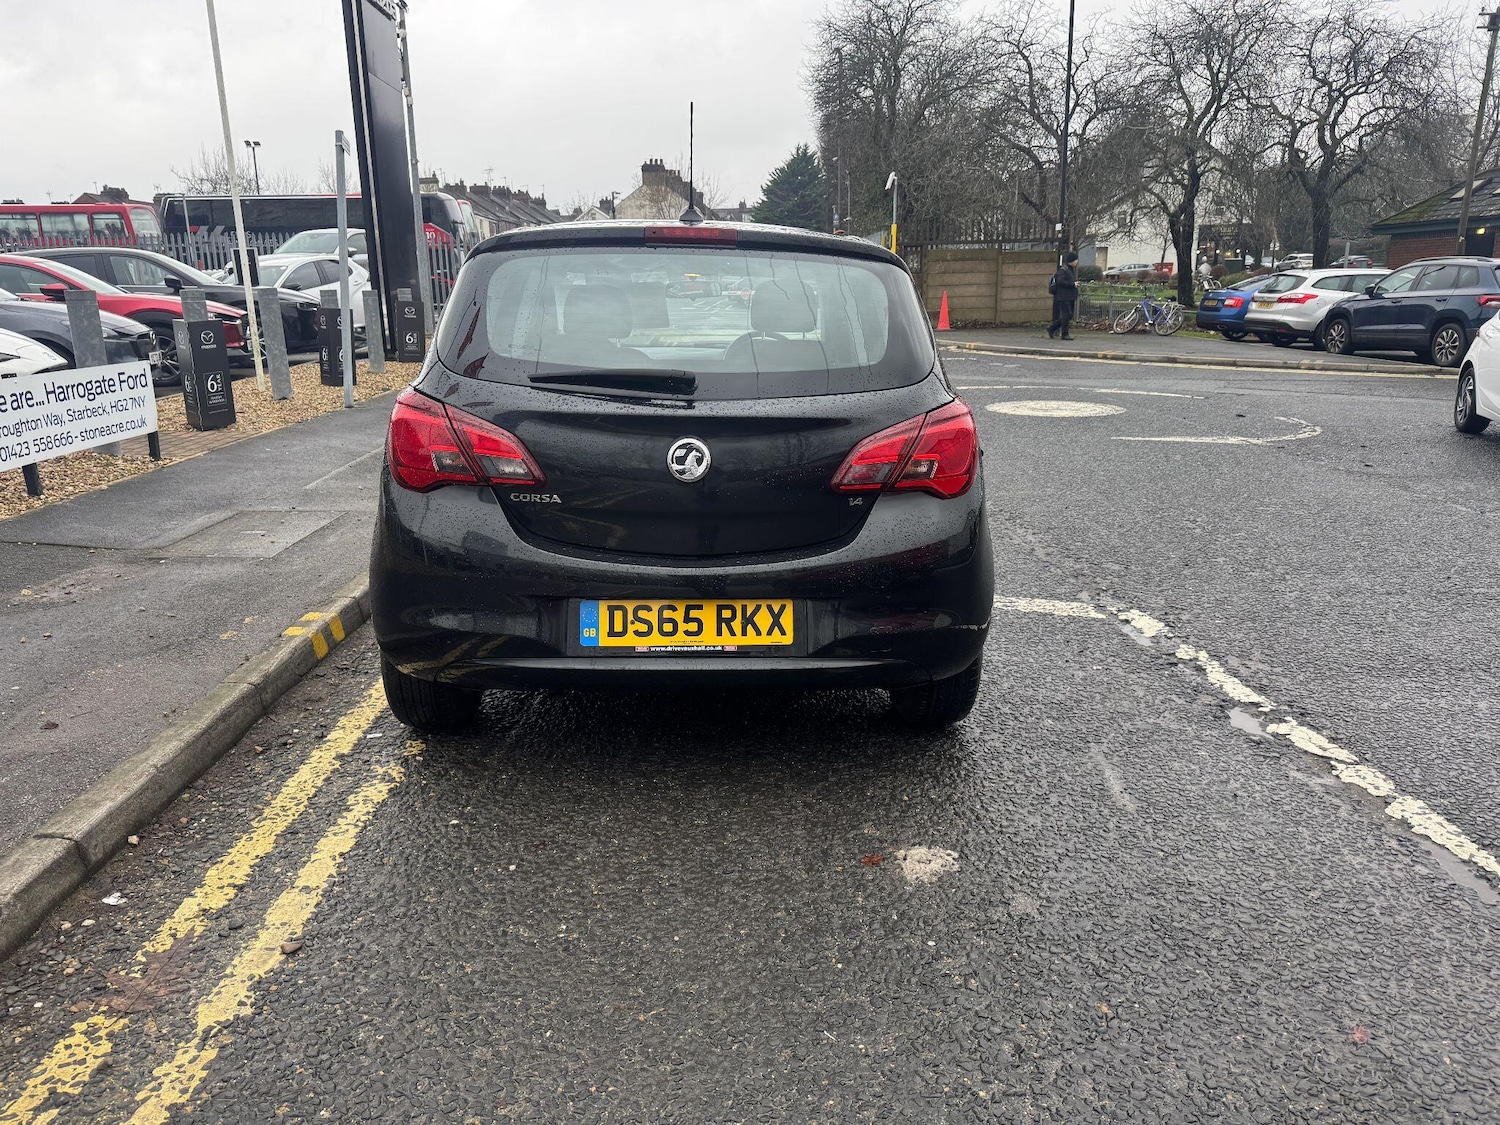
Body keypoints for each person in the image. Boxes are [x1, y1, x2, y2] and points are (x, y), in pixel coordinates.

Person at [1048, 252, 1079, 340]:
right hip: (1063, 296)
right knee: (1067, 314)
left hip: (1069, 296)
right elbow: (1060, 282)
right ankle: (1064, 334)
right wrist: (1073, 284)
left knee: (1068, 315)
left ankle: (1052, 328)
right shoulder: (1063, 270)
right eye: (1075, 260)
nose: (1077, 261)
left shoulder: (1070, 269)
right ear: (1071, 261)